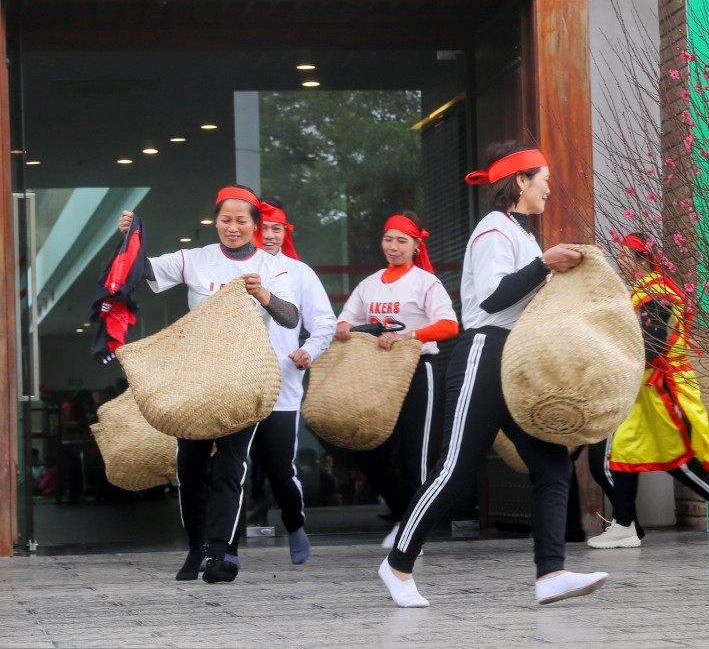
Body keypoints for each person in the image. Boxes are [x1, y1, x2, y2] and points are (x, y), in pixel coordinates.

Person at [379, 141, 608, 608]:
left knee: (552, 465)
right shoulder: (493, 229)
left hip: (516, 360)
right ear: (520, 181)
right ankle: (398, 564)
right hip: (483, 355)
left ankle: (551, 574)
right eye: (542, 178)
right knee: (455, 470)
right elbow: (491, 298)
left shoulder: (522, 235)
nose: (549, 187)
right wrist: (545, 264)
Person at [117, 185, 300, 582]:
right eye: (225, 220)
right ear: (215, 221)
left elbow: (290, 318)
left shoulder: (272, 266)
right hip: (195, 382)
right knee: (192, 466)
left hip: (243, 381)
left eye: (241, 221)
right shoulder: (195, 259)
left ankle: (222, 553)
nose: (232, 228)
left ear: (255, 225)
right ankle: (196, 547)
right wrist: (131, 236)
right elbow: (141, 270)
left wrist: (264, 295)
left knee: (230, 467)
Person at [587, 235, 709, 550]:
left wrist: (617, 360)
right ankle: (624, 525)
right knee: (623, 454)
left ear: (644, 259)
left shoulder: (654, 292)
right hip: (645, 388)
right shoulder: (643, 291)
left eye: (626, 255)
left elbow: (654, 343)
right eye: (618, 255)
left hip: (663, 387)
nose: (620, 261)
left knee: (676, 458)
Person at [334, 210, 459, 549]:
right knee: (370, 452)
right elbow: (347, 321)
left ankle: (411, 533)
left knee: (415, 457)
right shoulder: (369, 283)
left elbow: (449, 325)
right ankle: (406, 514)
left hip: (420, 370)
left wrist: (410, 336)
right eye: (388, 239)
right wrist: (343, 327)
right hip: (378, 374)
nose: (393, 246)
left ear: (416, 245)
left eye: (402, 240)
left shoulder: (425, 282)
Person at [252, 195, 336, 564]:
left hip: (281, 387)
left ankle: (294, 526)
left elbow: (325, 323)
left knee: (280, 470)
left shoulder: (300, 273)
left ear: (286, 232)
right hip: (228, 388)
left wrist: (310, 350)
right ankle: (222, 545)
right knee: (226, 469)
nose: (270, 235)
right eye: (263, 227)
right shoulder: (228, 269)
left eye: (277, 228)